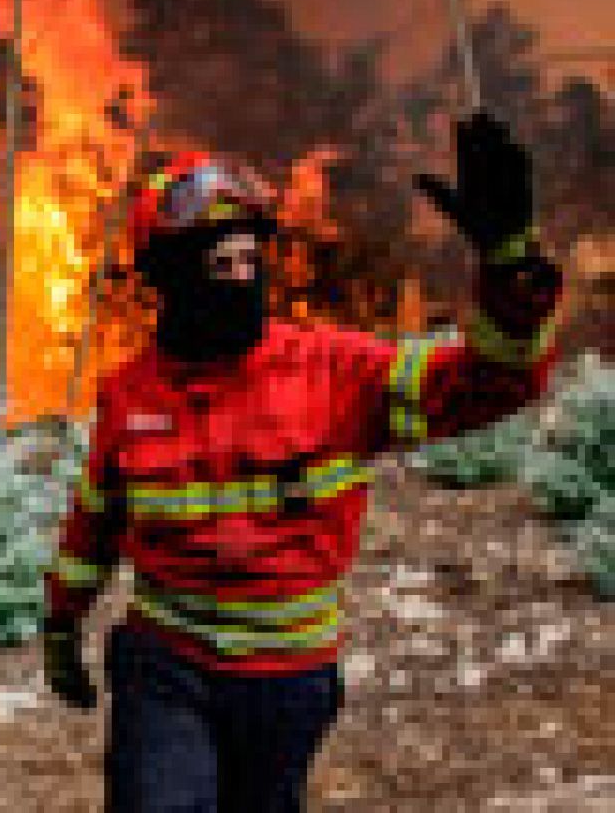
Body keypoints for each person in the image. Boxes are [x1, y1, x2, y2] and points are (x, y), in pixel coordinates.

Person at [42, 112, 565, 813]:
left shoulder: (333, 372)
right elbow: (95, 522)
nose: (238, 276)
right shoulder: (131, 395)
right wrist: (61, 623)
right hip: (167, 665)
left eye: (249, 261)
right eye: (217, 264)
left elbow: (490, 385)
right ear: (169, 277)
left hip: (288, 680)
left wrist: (510, 266)